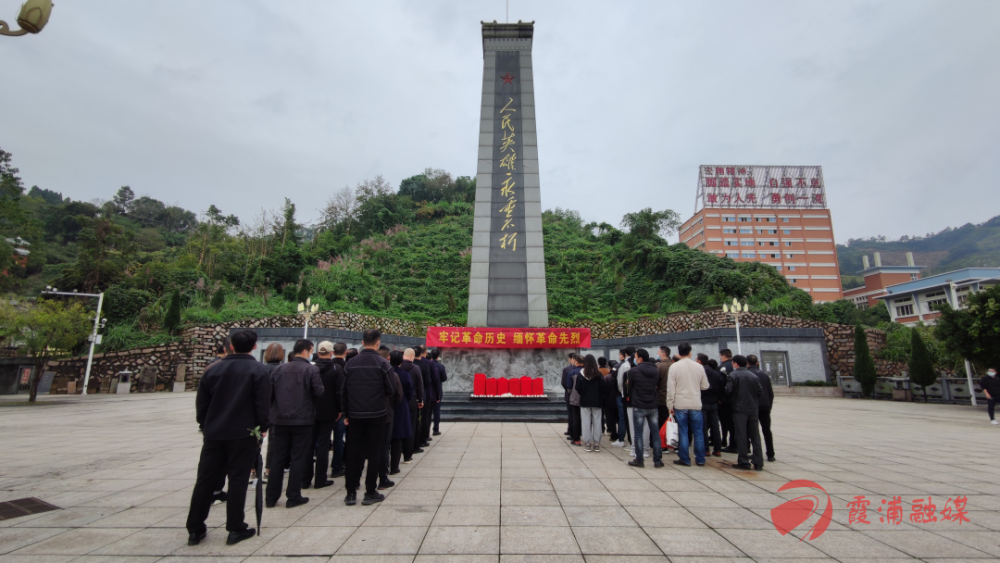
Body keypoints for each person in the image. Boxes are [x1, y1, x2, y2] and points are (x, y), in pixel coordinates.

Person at [186, 329, 270, 546]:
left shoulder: (212, 370)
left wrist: (206, 425)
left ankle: (195, 528)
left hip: (215, 434)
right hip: (243, 434)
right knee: (238, 480)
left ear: (230, 346)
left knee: (205, 480)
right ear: (254, 347)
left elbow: (201, 405)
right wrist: (263, 427)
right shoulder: (258, 370)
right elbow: (262, 405)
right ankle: (235, 527)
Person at [265, 339, 324, 509]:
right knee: (298, 458)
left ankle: (271, 497)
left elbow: (269, 394)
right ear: (306, 351)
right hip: (302, 420)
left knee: (277, 458)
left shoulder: (278, 370)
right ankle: (293, 495)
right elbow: (319, 391)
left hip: (279, 420)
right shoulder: (311, 370)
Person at [343, 329, 395, 506]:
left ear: (363, 342)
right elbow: (390, 389)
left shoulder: (350, 363)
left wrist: (346, 413)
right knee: (374, 453)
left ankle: (350, 493)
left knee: (353, 453)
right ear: (378, 342)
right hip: (377, 414)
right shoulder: (383, 363)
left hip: (355, 415)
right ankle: (370, 492)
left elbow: (344, 391)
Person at [301, 341, 342, 489]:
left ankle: (305, 479)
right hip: (329, 410)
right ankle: (320, 479)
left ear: (317, 353)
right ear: (331, 353)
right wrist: (340, 409)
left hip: (311, 410)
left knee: (309, 443)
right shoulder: (336, 369)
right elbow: (339, 392)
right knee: (324, 444)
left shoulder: (310, 368)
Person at [667, 343, 710, 467]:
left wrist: (670, 405)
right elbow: (705, 386)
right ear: (690, 352)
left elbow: (671, 388)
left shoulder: (675, 367)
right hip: (695, 403)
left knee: (683, 432)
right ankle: (700, 459)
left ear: (679, 353)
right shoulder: (699, 367)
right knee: (698, 432)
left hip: (680, 403)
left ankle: (685, 458)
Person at [726, 355, 764, 471]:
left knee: (741, 435)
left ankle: (743, 461)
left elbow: (728, 391)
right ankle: (758, 461)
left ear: (736, 364)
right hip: (752, 409)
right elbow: (759, 391)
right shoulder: (754, 376)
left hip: (739, 409)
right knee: (755, 436)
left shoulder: (733, 375)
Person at [627, 349, 662, 467]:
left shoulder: (633, 371)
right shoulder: (656, 371)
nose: (635, 359)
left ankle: (639, 459)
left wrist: (633, 399)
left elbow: (630, 388)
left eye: (636, 357)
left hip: (639, 405)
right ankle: (657, 460)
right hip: (653, 404)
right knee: (655, 433)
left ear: (640, 358)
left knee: (638, 433)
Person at [376, 346, 401, 490]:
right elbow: (396, 394)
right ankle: (382, 478)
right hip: (384, 413)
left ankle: (352, 489)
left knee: (365, 448)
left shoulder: (354, 365)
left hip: (359, 413)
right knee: (383, 447)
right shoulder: (390, 373)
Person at [261, 343, 285, 484]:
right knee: (273, 441)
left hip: (261, 409)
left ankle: (252, 470)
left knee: (255, 441)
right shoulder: (282, 370)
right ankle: (269, 469)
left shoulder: (261, 369)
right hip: (277, 410)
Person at [747, 355, 776, 461]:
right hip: (765, 406)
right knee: (767, 430)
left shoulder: (748, 375)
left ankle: (755, 452)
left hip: (753, 406)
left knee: (753, 431)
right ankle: (771, 454)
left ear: (747, 364)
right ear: (757, 363)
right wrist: (769, 406)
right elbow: (770, 393)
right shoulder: (765, 375)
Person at [389, 350, 414, 473]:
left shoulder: (386, 372)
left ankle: (382, 467)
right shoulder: (404, 374)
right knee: (397, 438)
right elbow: (409, 391)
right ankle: (394, 467)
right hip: (400, 406)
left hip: (386, 406)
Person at [575, 354, 605, 452]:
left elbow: (577, 388)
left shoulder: (581, 374)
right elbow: (602, 388)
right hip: (597, 401)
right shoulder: (598, 374)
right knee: (597, 422)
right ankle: (596, 443)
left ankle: (587, 443)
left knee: (586, 422)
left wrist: (584, 394)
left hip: (585, 401)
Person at [698, 353, 725, 457]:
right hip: (714, 402)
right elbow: (720, 386)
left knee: (703, 426)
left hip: (703, 401)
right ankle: (717, 449)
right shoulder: (715, 373)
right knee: (715, 426)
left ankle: (706, 449)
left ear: (699, 361)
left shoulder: (700, 371)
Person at [329, 342, 349, 478]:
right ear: (345, 352)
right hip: (340, 408)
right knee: (339, 438)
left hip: (323, 408)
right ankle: (338, 465)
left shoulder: (324, 366)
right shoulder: (346, 367)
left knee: (322, 439)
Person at [402, 348, 424, 459]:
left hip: (397, 400)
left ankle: (397, 449)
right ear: (412, 356)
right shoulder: (415, 368)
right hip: (411, 400)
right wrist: (420, 400)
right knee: (411, 425)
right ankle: (408, 453)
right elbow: (420, 386)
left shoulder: (397, 367)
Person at [611, 348, 632, 448]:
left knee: (622, 418)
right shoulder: (636, 364)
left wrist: (622, 392)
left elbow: (619, 382)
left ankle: (621, 439)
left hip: (623, 396)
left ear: (623, 355)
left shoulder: (621, 366)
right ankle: (632, 441)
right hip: (636, 396)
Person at [718, 349, 737, 453]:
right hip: (736, 399)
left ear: (723, 356)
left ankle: (732, 443)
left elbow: (720, 383)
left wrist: (719, 398)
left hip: (726, 400)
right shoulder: (734, 366)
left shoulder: (723, 367)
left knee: (728, 423)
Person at [601, 357, 620, 442]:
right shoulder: (620, 376)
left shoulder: (607, 378)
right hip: (618, 400)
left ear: (610, 367)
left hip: (609, 401)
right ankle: (620, 434)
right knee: (620, 418)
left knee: (611, 418)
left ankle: (613, 434)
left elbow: (603, 390)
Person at [656, 346, 674, 431]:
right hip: (673, 399)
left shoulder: (659, 367)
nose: (657, 354)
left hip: (661, 399)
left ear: (663, 354)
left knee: (662, 424)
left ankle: (663, 442)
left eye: (659, 352)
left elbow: (655, 384)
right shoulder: (673, 365)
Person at [567, 355, 583, 445]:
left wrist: (572, 393)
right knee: (586, 418)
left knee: (575, 417)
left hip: (574, 398)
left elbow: (568, 387)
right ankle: (590, 439)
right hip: (586, 399)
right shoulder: (589, 372)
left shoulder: (572, 372)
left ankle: (576, 438)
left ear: (575, 362)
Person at [430, 348, 447, 435]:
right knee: (437, 411)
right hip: (437, 391)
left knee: (427, 412)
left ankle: (425, 431)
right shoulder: (441, 366)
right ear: (438, 356)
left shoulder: (427, 365)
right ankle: (435, 429)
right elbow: (444, 378)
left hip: (428, 392)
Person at [561, 354, 576, 437]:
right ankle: (577, 432)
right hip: (579, 395)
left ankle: (571, 431)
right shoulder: (582, 369)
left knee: (571, 414)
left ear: (571, 359)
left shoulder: (567, 369)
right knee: (577, 414)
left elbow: (563, 383)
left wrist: (568, 390)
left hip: (569, 394)